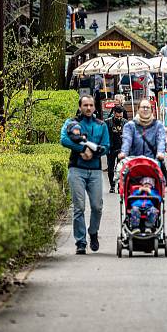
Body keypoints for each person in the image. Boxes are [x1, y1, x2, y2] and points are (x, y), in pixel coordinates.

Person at [60, 95, 110, 255]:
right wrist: (82, 149)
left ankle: (93, 232)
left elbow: (107, 146)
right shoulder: (72, 123)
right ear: (80, 107)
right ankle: (80, 242)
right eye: (85, 105)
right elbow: (64, 140)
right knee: (79, 207)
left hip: (95, 170)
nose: (88, 108)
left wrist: (94, 152)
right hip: (77, 169)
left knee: (97, 207)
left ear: (95, 107)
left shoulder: (101, 125)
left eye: (91, 105)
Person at [119, 98, 166, 168]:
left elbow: (161, 140)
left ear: (151, 110)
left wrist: (160, 152)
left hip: (153, 162)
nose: (145, 109)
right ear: (138, 110)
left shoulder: (158, 125)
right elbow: (127, 140)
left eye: (148, 107)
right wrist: (124, 152)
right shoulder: (130, 125)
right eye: (143, 107)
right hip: (134, 163)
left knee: (161, 177)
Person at [104, 106, 126, 193]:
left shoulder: (125, 123)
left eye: (121, 116)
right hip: (111, 148)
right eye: (117, 117)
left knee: (120, 168)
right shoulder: (107, 122)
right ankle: (112, 185)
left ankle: (120, 185)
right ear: (114, 114)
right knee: (110, 168)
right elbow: (105, 136)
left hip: (122, 148)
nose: (119, 118)